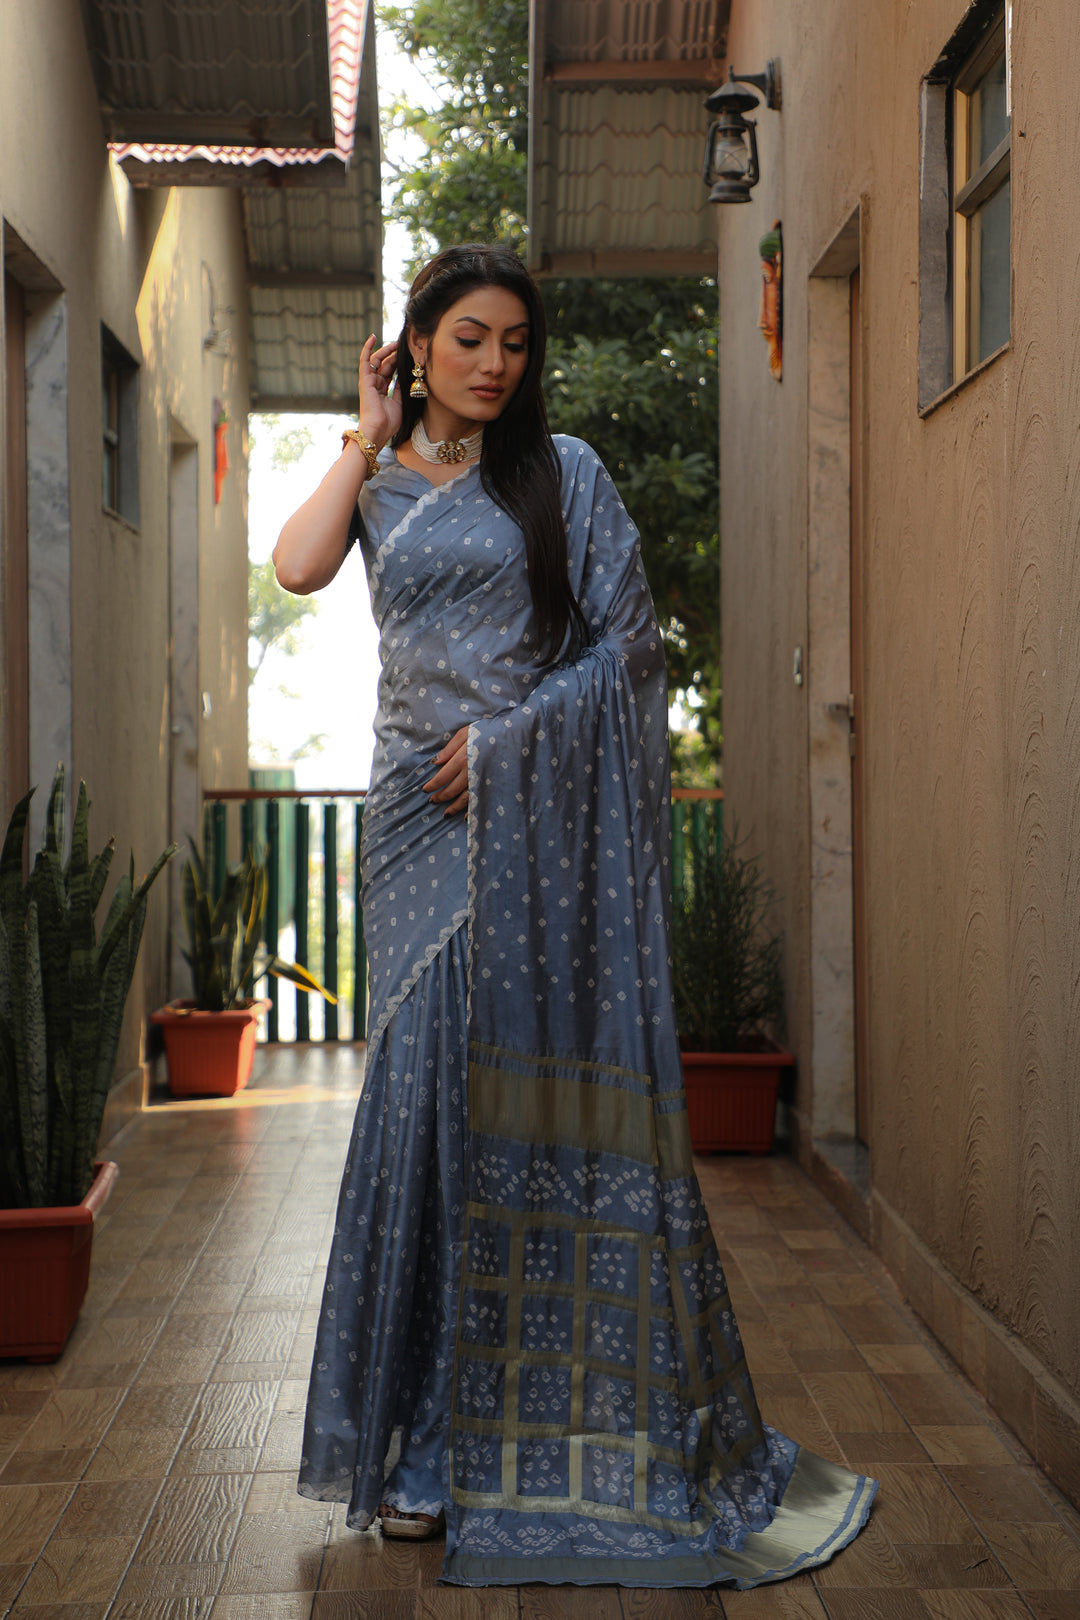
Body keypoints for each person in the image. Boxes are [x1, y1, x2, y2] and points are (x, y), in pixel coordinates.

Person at [276, 244, 877, 1587]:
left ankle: (536, 1440)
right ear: (415, 344)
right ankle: (423, 1452)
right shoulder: (375, 481)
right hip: (411, 829)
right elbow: (300, 568)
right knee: (423, 1111)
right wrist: (361, 440)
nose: (496, 365)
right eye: (469, 339)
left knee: (522, 1109)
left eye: (516, 344)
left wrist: (507, 747)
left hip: (527, 825)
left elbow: (629, 652)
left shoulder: (569, 479)